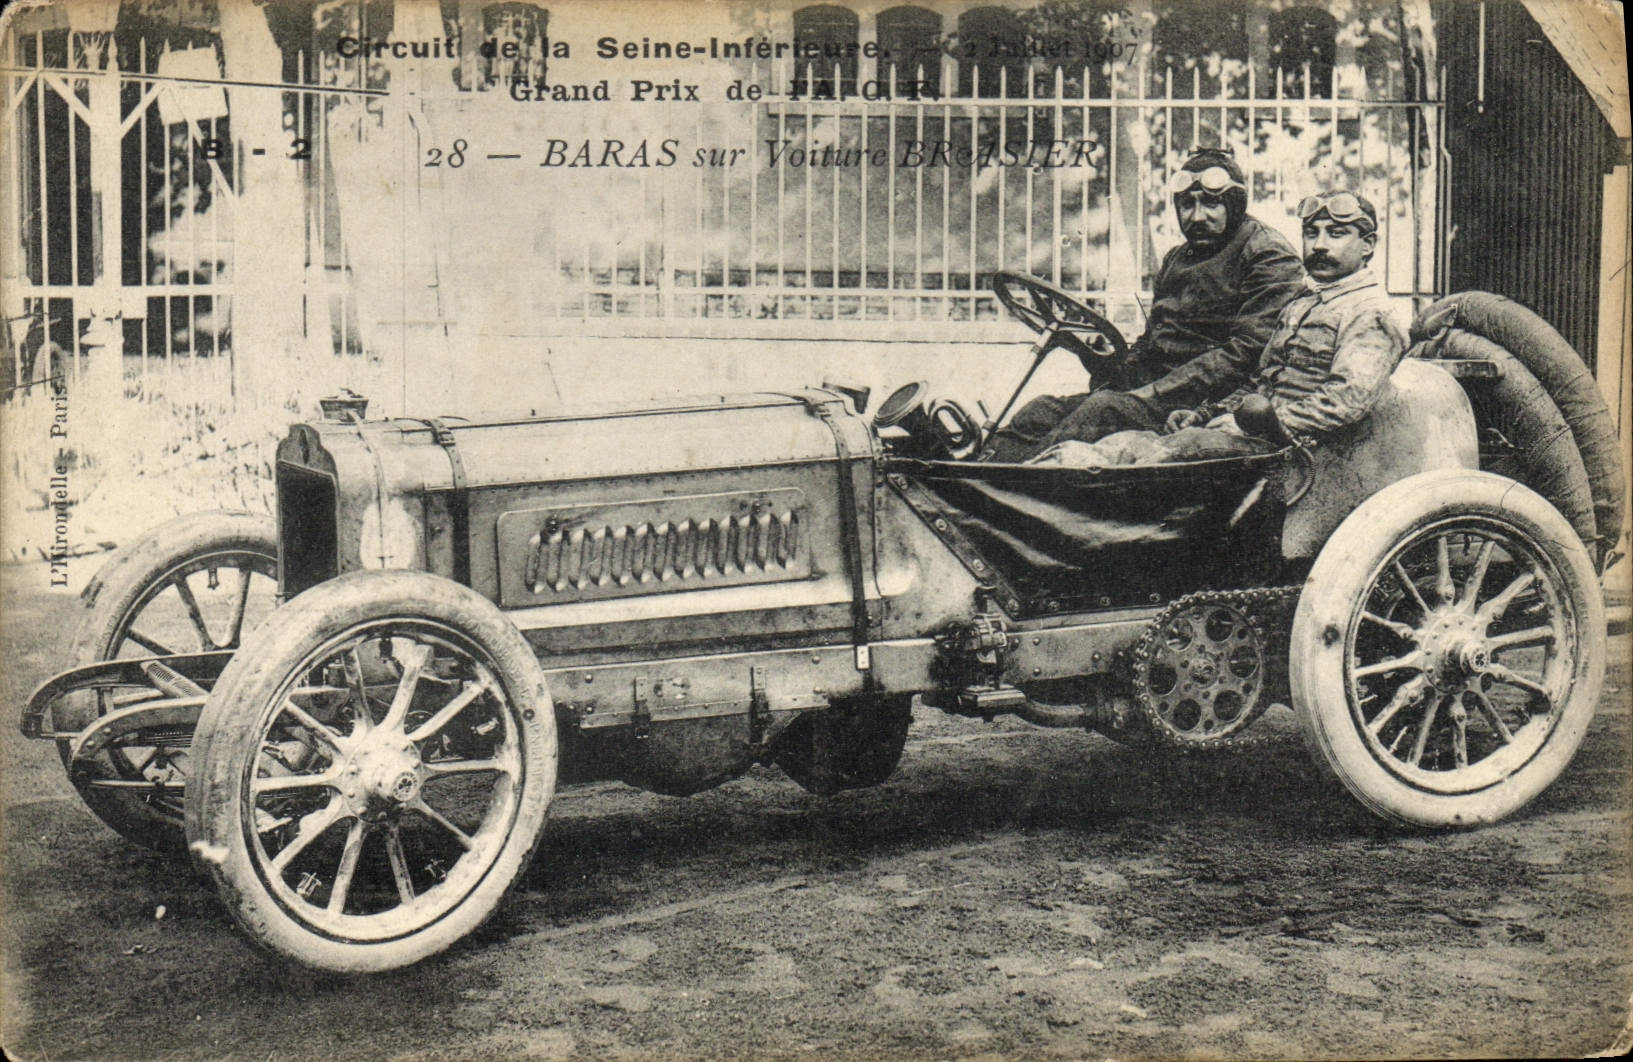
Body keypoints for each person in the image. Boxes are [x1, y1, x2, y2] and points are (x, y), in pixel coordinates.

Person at [1028, 190, 1407, 467]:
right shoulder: (1304, 303)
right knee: (1120, 446)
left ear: (1368, 245)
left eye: (1337, 234)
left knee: (1160, 456)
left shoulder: (1372, 314)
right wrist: (1206, 413)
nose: (1320, 245)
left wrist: (1250, 422)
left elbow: (1345, 403)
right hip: (1253, 432)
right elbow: (1260, 381)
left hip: (1296, 449)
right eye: (1312, 233)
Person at [981, 148, 1304, 462]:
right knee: (1042, 410)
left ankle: (1009, 489)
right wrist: (1118, 372)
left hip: (1204, 401)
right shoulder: (1178, 257)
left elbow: (1246, 352)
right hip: (1153, 390)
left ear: (1234, 205)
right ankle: (973, 470)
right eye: (1186, 205)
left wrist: (1149, 394)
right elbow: (1154, 337)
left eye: (1210, 203)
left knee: (1103, 410)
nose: (1197, 217)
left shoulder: (1267, 254)